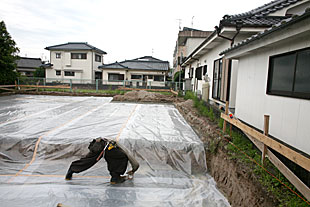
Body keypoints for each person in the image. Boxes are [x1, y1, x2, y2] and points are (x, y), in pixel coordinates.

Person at [65, 137, 139, 184]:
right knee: (121, 157)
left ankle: (71, 170)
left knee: (88, 160)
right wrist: (133, 170)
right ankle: (115, 178)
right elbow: (135, 164)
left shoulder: (113, 144)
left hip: (99, 145)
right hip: (103, 147)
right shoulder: (124, 150)